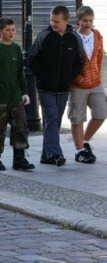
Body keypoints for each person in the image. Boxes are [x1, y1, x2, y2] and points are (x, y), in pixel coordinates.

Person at [29, 5, 84, 167]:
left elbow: (80, 60)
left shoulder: (74, 39)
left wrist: (69, 77)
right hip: (45, 88)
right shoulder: (44, 36)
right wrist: (42, 77)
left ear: (66, 21)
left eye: (57, 21)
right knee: (52, 118)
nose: (53, 23)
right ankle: (56, 154)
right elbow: (32, 58)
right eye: (52, 20)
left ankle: (46, 155)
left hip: (63, 88)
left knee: (54, 121)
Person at [0, 17, 34, 171]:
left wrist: (24, 92)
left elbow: (19, 73)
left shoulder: (16, 48)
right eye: (7, 30)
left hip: (15, 97)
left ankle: (19, 159)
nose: (11, 33)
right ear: (0, 31)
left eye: (13, 30)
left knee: (21, 127)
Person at [67, 6, 106, 164]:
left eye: (90, 20)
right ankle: (79, 150)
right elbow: (68, 63)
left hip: (95, 82)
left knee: (101, 113)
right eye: (85, 21)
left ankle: (85, 141)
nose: (88, 23)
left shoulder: (97, 35)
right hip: (77, 84)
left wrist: (97, 75)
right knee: (77, 118)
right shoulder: (72, 37)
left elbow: (99, 56)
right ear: (78, 20)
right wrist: (78, 78)